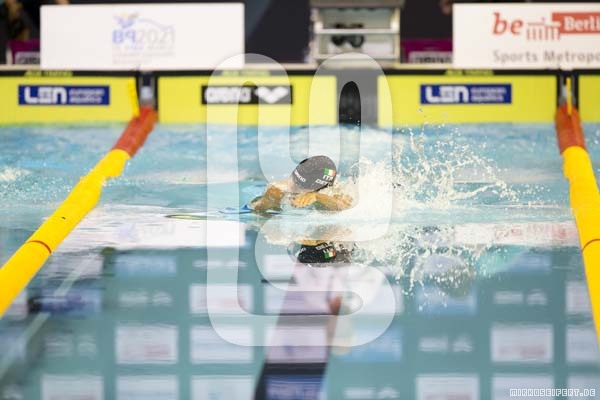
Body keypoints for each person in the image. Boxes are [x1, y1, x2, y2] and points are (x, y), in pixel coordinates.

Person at [248, 155, 353, 213]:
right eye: (294, 179)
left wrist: (317, 197)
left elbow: (344, 207)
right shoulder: (278, 189)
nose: (292, 186)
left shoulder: (334, 190)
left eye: (299, 186)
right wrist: (266, 202)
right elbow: (258, 211)